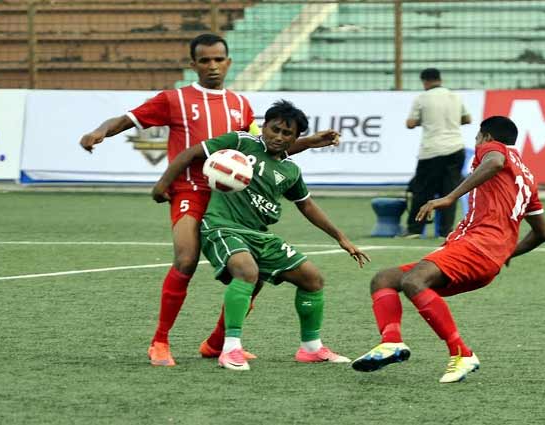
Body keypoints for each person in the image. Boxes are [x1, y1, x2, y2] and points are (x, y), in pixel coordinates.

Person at [78, 33, 339, 366]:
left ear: (228, 63)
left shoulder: (240, 104)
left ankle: (217, 343)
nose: (212, 66)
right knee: (186, 260)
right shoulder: (174, 99)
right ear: (193, 64)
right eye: (205, 60)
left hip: (232, 196)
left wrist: (309, 142)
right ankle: (160, 341)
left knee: (255, 272)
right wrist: (100, 131)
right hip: (190, 191)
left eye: (218, 60)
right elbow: (127, 119)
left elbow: (265, 148)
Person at [152, 100, 369, 371]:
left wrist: (341, 238)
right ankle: (230, 349)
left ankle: (311, 348)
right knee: (247, 271)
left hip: (259, 235)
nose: (279, 137)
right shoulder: (241, 143)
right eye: (274, 129)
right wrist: (162, 185)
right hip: (222, 227)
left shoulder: (290, 170)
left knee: (312, 278)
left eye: (287, 133)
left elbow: (306, 205)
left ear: (295, 138)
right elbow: (190, 153)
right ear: (263, 126)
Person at [351, 116, 545, 383]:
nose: (477, 144)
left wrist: (449, 197)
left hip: (477, 245)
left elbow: (494, 161)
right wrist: (507, 253)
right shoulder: (527, 178)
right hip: (483, 255)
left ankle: (462, 353)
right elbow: (542, 233)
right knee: (384, 279)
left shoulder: (494, 150)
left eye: (477, 139)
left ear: (486, 137)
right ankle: (391, 342)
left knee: (413, 281)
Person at [402, 68, 472, 238]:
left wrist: (425, 121)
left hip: (432, 150)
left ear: (425, 81)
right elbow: (467, 119)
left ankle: (414, 229)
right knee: (450, 192)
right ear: (440, 79)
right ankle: (445, 231)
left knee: (422, 190)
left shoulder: (422, 98)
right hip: (456, 148)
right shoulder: (455, 96)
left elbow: (410, 123)